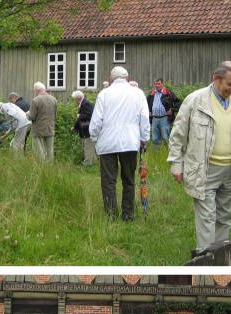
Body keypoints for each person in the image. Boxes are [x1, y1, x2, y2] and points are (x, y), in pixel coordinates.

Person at [168, 60, 231, 253]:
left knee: (224, 215)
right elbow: (177, 135)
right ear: (216, 79)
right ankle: (205, 257)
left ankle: (222, 254)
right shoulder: (195, 100)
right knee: (206, 216)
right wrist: (176, 165)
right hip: (204, 169)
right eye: (229, 84)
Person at [89, 66, 150, 221]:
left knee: (108, 181)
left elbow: (96, 122)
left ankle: (111, 215)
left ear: (111, 78)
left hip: (107, 143)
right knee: (129, 180)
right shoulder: (137, 93)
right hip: (130, 142)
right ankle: (128, 214)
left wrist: (95, 138)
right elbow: (144, 118)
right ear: (127, 77)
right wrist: (144, 139)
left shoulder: (104, 94)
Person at [27, 81, 57, 162]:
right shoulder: (54, 99)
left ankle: (41, 168)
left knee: (39, 151)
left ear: (36, 90)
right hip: (50, 128)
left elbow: (32, 117)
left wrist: (27, 114)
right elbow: (55, 114)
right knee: (50, 150)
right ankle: (50, 168)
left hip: (38, 130)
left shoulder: (35, 100)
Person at [147, 78, 180, 144]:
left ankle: (166, 153)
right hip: (154, 119)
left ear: (162, 84)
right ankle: (156, 154)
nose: (157, 85)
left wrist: (172, 109)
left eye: (158, 84)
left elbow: (178, 103)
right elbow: (146, 104)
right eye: (155, 84)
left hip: (165, 119)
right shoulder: (152, 94)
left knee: (166, 138)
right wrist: (148, 111)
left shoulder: (168, 93)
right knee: (155, 139)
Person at [71, 90, 96, 166]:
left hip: (88, 129)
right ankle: (93, 162)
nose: (75, 101)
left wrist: (80, 116)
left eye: (75, 99)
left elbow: (91, 115)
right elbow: (79, 119)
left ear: (78, 98)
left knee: (88, 146)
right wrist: (75, 127)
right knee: (88, 146)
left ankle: (87, 163)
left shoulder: (86, 103)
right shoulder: (83, 103)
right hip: (85, 129)